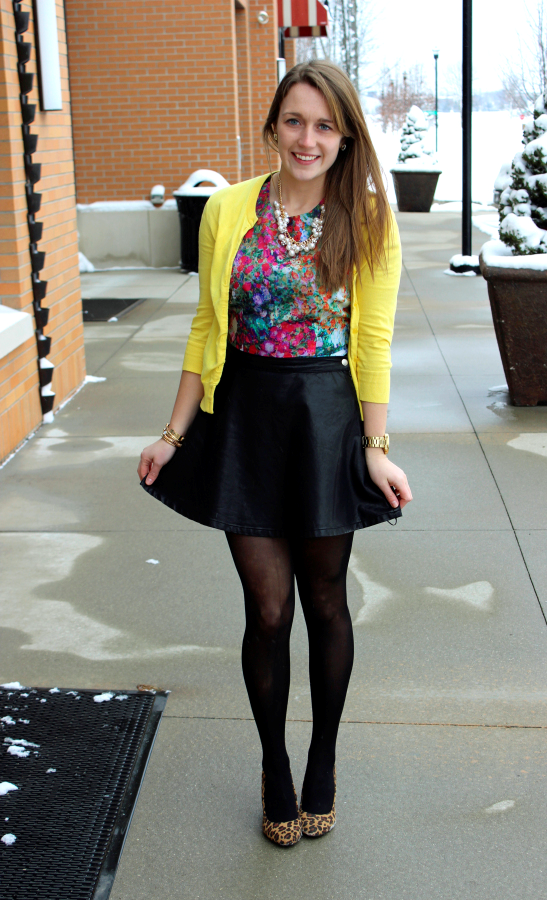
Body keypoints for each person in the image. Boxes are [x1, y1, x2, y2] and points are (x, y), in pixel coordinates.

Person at [137, 59, 412, 848]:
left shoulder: (368, 220)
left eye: (325, 125)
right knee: (267, 609)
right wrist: (175, 432)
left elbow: (373, 339)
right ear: (273, 126)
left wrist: (377, 447)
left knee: (325, 602)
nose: (308, 138)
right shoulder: (227, 211)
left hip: (327, 421)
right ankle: (275, 766)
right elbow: (204, 328)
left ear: (345, 136)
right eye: (295, 120)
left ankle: (323, 759)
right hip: (247, 422)